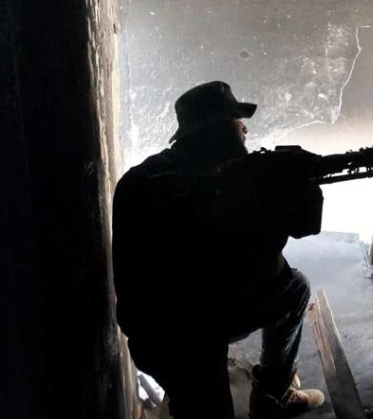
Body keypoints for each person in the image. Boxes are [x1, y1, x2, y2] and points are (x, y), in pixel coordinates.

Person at [112, 80, 327, 418]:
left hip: (181, 319)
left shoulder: (143, 179)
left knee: (294, 288)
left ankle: (275, 393)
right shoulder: (184, 188)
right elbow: (273, 247)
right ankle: (267, 395)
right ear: (217, 132)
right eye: (237, 123)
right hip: (180, 335)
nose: (244, 129)